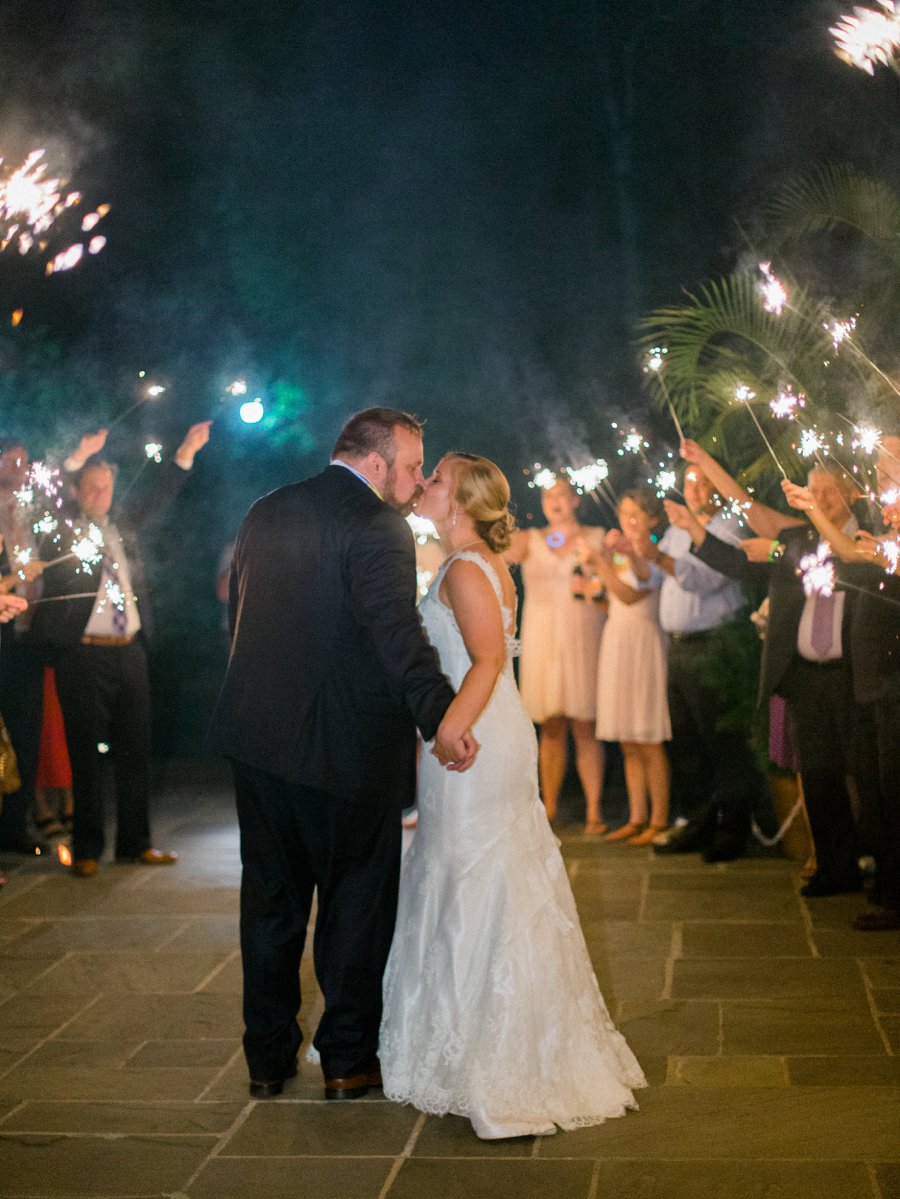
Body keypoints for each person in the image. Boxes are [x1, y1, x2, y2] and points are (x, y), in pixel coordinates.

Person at [206, 408, 474, 1103]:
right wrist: (442, 714)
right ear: (378, 461)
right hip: (345, 748)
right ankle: (347, 1060)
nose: (419, 483)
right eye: (414, 465)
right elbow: (396, 634)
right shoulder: (376, 524)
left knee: (270, 905)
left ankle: (266, 1060)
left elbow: (242, 617)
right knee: (355, 904)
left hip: (258, 743)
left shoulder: (267, 509)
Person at [380, 453, 645, 1140]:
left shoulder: (467, 568)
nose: (423, 484)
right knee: (474, 872)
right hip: (485, 728)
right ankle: (461, 1041)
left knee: (477, 878)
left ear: (461, 499)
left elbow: (489, 660)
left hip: (476, 735)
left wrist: (448, 728)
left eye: (434, 478)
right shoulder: (465, 561)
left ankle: (495, 1063)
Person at [671, 459, 880, 898]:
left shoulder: (866, 540)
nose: (820, 498)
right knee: (819, 776)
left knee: (866, 775)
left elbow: (851, 577)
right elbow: (740, 561)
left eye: (829, 490)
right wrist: (695, 529)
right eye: (814, 489)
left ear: (852, 492)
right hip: (805, 675)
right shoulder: (796, 538)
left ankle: (877, 864)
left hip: (853, 675)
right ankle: (834, 867)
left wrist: (777, 550)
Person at [30, 422, 211, 878]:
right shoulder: (62, 531)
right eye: (91, 487)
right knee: (85, 751)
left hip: (128, 648)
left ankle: (135, 842)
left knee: (136, 748)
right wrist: (74, 458)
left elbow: (158, 498)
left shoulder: (121, 527)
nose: (101, 495)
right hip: (82, 652)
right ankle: (87, 846)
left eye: (106, 487)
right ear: (77, 491)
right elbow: (45, 499)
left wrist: (185, 452)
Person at [782, 434, 900, 929]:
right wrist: (811, 509)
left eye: (885, 472)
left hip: (891, 682)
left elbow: (860, 555)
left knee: (893, 791)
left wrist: (879, 555)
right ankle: (888, 889)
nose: (877, 483)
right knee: (880, 792)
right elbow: (850, 552)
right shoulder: (885, 535)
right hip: (877, 684)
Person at [650, 462, 766, 862]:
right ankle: (698, 822)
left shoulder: (729, 527)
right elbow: (653, 573)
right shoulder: (676, 528)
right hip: (678, 646)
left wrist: (657, 557)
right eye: (689, 483)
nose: (695, 491)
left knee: (722, 743)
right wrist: (631, 551)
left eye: (702, 484)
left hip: (715, 645)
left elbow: (704, 579)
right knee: (686, 743)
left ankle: (732, 830)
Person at [506, 478, 607, 832]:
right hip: (543, 639)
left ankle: (594, 810)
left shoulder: (596, 537)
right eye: (549, 496)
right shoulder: (529, 540)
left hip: (583, 636)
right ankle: (549, 808)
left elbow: (613, 582)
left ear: (575, 500)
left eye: (563, 495)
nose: (556, 502)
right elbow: (494, 557)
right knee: (550, 725)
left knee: (585, 725)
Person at [581, 491, 671, 845]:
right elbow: (615, 603)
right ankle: (637, 817)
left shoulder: (652, 550)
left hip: (644, 645)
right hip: (618, 639)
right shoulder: (621, 554)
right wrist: (600, 572)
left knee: (648, 736)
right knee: (628, 739)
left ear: (652, 519)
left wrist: (601, 564)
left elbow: (634, 594)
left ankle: (660, 819)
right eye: (625, 513)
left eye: (637, 514)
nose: (629, 521)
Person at [0, 440, 50, 855]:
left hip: (28, 635)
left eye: (24, 460)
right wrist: (15, 578)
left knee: (26, 732)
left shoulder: (32, 508)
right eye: (11, 460)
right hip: (3, 633)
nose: (20, 467)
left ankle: (18, 822)